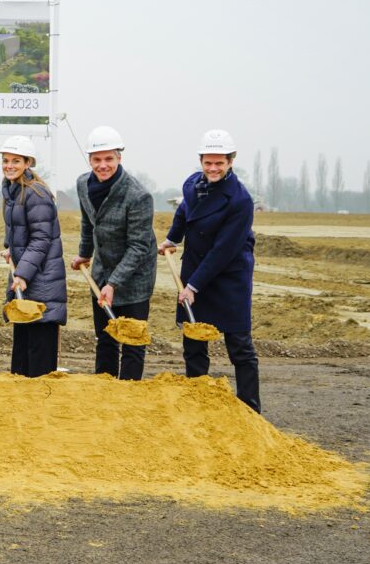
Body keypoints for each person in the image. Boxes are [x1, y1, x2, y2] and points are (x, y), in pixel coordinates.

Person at [159, 129, 260, 412]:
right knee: (193, 338)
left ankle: (250, 409)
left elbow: (224, 250)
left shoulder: (240, 200)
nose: (213, 168)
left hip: (229, 275)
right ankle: (197, 401)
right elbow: (184, 212)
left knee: (239, 343)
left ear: (230, 162)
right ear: (201, 161)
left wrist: (192, 286)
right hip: (196, 266)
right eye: (208, 162)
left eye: (219, 163)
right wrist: (172, 238)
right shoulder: (193, 184)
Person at [70, 126, 156, 380]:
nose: (103, 165)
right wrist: (85, 254)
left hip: (135, 277)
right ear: (90, 160)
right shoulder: (82, 184)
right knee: (106, 337)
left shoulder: (138, 195)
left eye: (109, 159)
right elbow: (88, 222)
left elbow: (139, 246)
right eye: (97, 159)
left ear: (119, 157)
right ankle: (105, 393)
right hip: (102, 270)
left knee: (132, 340)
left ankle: (128, 395)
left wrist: (114, 283)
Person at [0, 136, 67, 377]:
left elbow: (41, 239)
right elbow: (22, 232)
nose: (9, 165)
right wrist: (11, 249)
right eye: (6, 160)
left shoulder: (36, 194)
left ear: (28, 163)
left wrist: (23, 274)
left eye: (16, 160)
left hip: (41, 286)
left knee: (38, 367)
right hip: (27, 283)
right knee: (21, 362)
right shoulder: (13, 192)